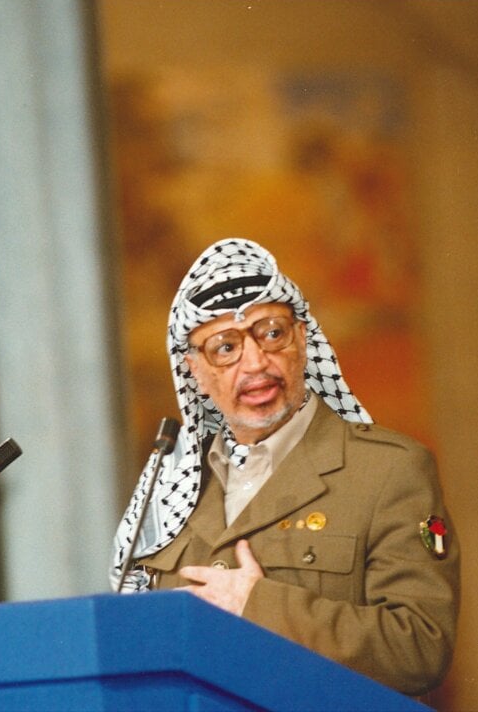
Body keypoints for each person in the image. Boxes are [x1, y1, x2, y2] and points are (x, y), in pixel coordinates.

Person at [110, 238, 459, 696]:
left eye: (271, 333)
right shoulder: (167, 488)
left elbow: (418, 647)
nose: (255, 363)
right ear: (193, 369)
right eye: (225, 347)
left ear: (301, 339)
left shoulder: (386, 472)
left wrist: (258, 605)